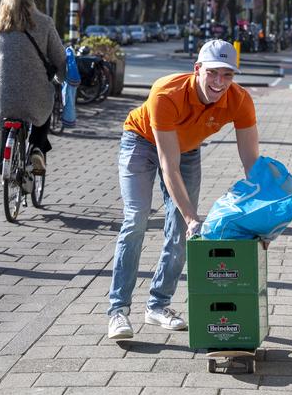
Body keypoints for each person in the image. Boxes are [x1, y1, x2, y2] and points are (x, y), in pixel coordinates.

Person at [107, 39, 260, 340]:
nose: (219, 82)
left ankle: (157, 306)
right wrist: (193, 217)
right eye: (213, 73)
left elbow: (251, 161)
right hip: (141, 142)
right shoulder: (167, 93)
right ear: (197, 69)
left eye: (227, 75)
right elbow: (168, 166)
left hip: (187, 150)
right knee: (137, 218)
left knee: (180, 232)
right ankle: (118, 311)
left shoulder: (240, 100)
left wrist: (263, 211)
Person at [0, 0, 66, 174]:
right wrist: (61, 79)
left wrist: (3, 71)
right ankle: (36, 147)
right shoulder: (44, 23)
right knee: (45, 107)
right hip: (36, 93)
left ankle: (5, 168)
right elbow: (59, 58)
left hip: (3, 95)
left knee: (6, 126)